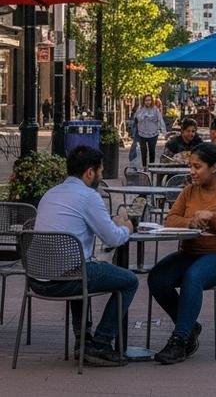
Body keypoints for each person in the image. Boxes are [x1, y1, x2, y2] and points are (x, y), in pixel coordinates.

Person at [32, 146, 138, 367]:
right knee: (129, 281)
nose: (100, 176)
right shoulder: (89, 196)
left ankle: (83, 339)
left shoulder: (50, 193)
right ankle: (100, 343)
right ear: (89, 172)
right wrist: (127, 226)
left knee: (79, 269)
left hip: (37, 279)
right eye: (99, 171)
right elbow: (113, 239)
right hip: (68, 278)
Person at [147, 142, 216, 364]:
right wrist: (192, 221)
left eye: (197, 166)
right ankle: (189, 326)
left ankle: (180, 340)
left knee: (193, 276)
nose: (191, 171)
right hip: (191, 253)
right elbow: (171, 219)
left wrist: (214, 219)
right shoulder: (188, 192)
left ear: (213, 168)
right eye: (190, 166)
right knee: (157, 277)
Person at [134, 93, 168, 166]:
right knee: (143, 151)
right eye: (146, 100)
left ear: (151, 100)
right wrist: (144, 116)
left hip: (153, 133)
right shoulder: (140, 108)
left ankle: (151, 166)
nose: (148, 102)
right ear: (144, 101)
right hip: (142, 133)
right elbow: (137, 118)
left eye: (149, 100)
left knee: (152, 151)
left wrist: (164, 133)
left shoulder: (155, 109)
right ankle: (144, 166)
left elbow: (160, 120)